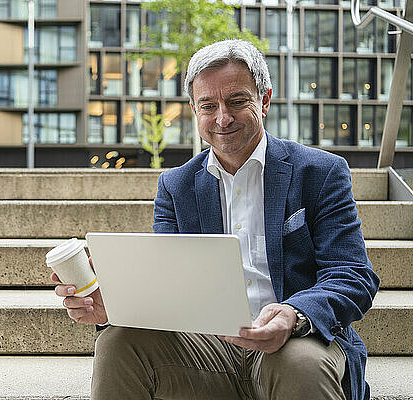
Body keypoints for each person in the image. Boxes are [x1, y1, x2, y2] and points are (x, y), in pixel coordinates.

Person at [51, 39, 380, 400]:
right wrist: (112, 307)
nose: (222, 118)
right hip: (207, 349)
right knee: (117, 341)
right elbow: (167, 287)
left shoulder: (321, 172)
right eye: (208, 106)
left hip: (295, 341)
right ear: (194, 109)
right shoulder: (176, 186)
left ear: (264, 99)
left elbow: (352, 276)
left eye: (237, 101)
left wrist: (294, 314)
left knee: (298, 363)